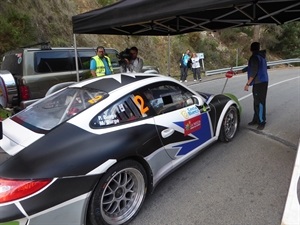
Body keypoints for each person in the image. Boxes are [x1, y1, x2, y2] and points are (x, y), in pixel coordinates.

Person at [238, 42, 269, 130]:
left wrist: (247, 84)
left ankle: (262, 121)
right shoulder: (261, 56)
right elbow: (250, 67)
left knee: (260, 102)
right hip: (262, 82)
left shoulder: (255, 57)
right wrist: (238, 72)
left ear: (251, 49)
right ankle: (256, 119)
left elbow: (254, 71)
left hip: (260, 83)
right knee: (257, 101)